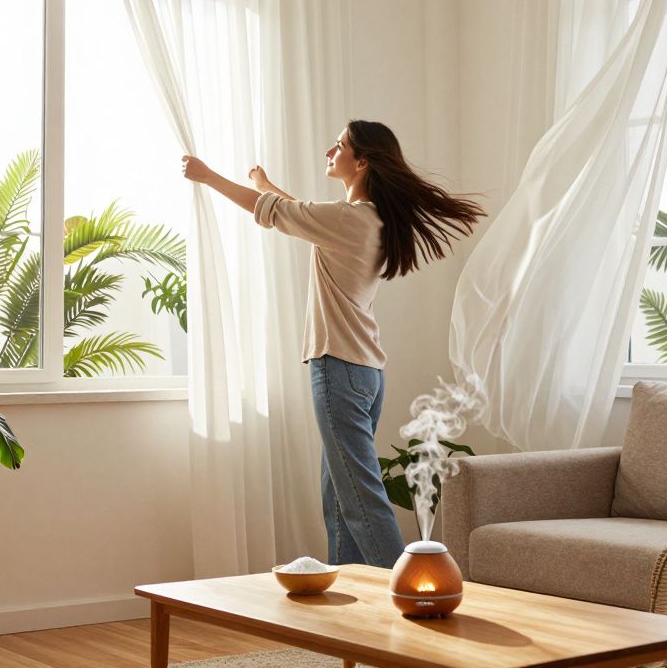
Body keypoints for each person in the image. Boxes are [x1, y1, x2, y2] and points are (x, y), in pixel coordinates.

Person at [180, 119, 484, 567]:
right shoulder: (367, 220)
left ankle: (409, 589)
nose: (329, 151)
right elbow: (294, 211)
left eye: (338, 146)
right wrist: (265, 184)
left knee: (359, 499)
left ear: (361, 162)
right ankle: (353, 594)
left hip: (338, 369)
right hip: (364, 373)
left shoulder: (347, 219)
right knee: (341, 498)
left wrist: (208, 176)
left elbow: (274, 212)